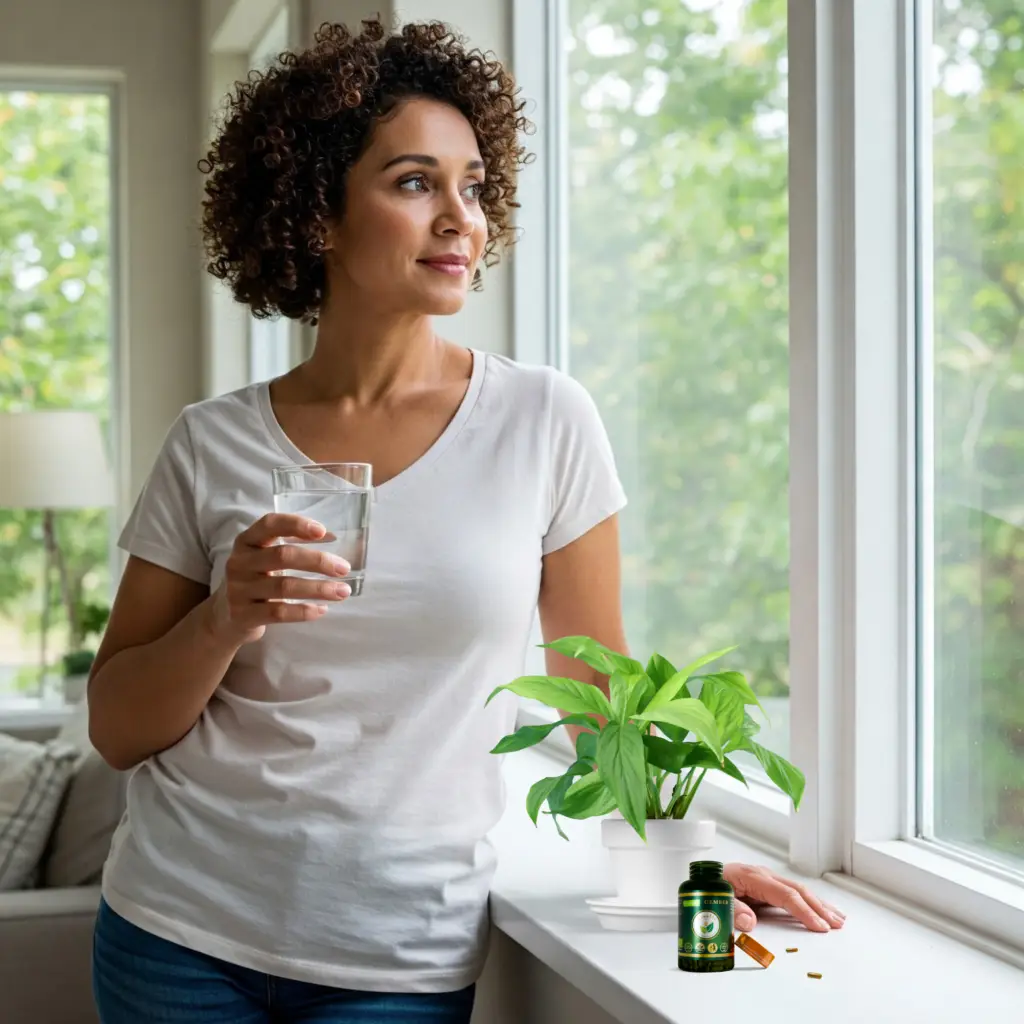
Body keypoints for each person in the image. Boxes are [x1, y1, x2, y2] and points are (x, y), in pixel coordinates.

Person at [86, 18, 844, 1024]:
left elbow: (592, 689)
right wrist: (226, 616)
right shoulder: (211, 442)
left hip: (397, 953)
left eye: (474, 185)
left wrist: (688, 855)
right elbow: (117, 726)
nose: (461, 217)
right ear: (319, 212)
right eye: (413, 182)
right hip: (178, 935)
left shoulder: (542, 420)